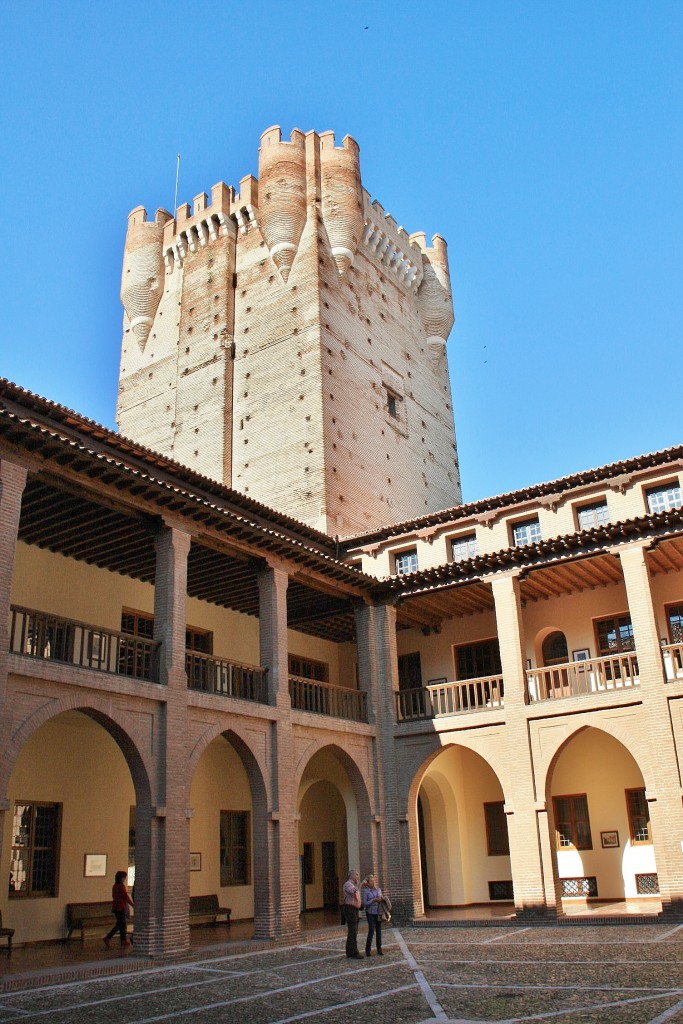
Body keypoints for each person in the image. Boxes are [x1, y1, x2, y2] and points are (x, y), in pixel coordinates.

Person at [104, 870, 134, 949]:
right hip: (120, 907)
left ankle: (123, 940)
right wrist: (132, 905)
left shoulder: (115, 885)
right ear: (121, 878)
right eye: (124, 877)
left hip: (116, 907)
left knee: (122, 924)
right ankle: (108, 937)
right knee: (120, 924)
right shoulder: (120, 886)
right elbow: (125, 896)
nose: (125, 879)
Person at [342, 869, 363, 958]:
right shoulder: (348, 884)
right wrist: (361, 884)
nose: (358, 877)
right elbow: (353, 891)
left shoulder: (353, 885)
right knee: (353, 931)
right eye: (356, 875)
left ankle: (350, 951)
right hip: (350, 909)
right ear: (352, 875)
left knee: (353, 931)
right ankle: (354, 953)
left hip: (354, 910)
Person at [361, 873, 384, 956]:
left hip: (378, 912)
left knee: (379, 930)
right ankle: (368, 950)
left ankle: (379, 948)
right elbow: (364, 903)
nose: (373, 882)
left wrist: (381, 899)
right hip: (370, 912)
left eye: (374, 881)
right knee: (371, 930)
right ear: (368, 882)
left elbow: (381, 898)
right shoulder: (366, 891)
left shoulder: (378, 889)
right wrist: (373, 900)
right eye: (371, 881)